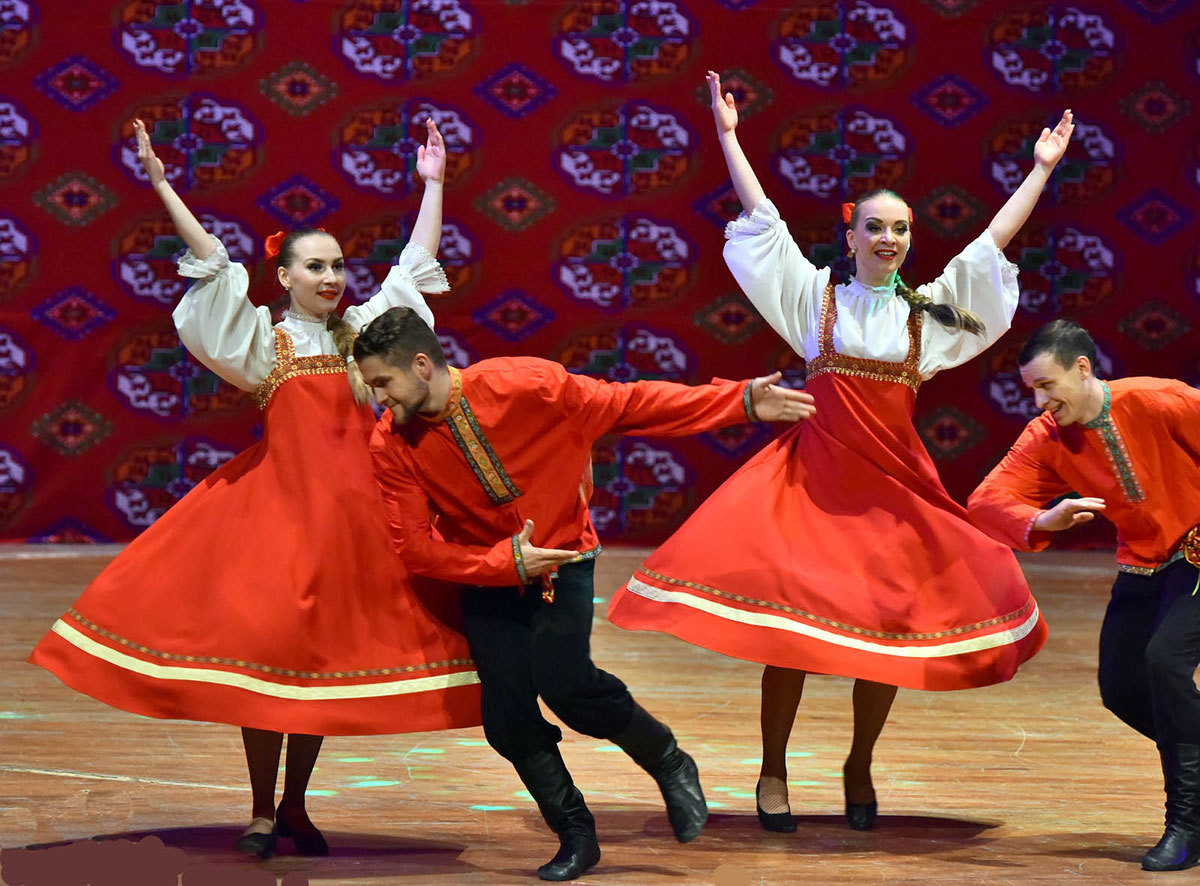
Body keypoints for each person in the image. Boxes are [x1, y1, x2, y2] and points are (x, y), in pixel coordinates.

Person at [607, 72, 1073, 833]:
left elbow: (993, 244)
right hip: (814, 486)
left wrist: (1042, 169)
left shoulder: (927, 319)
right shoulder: (814, 298)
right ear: (851, 233)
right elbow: (762, 217)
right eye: (876, 228)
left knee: (879, 638)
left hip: (891, 492)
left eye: (902, 231)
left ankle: (859, 762)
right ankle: (773, 768)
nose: (889, 239)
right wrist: (727, 134)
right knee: (791, 635)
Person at [28, 117, 481, 858]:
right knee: (271, 666)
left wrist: (434, 186)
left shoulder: (363, 335)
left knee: (319, 673)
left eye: (337, 265)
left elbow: (414, 268)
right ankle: (263, 810)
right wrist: (162, 185)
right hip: (282, 520)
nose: (332, 278)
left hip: (355, 524)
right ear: (285, 277)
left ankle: (297, 807)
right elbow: (209, 261)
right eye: (315, 268)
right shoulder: (262, 341)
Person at [355, 306, 816, 881]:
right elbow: (415, 550)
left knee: (566, 682)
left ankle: (667, 759)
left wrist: (738, 402)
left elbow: (629, 403)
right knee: (507, 717)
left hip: (566, 557)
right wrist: (504, 562)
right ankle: (576, 834)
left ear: (422, 366)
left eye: (383, 383)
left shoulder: (528, 386)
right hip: (485, 574)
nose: (379, 399)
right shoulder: (391, 443)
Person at [967, 319, 1200, 871]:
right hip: (1143, 563)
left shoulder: (1160, 400)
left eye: (1048, 386)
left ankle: (1186, 822)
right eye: (1033, 391)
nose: (1043, 402)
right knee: (1121, 686)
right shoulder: (1048, 437)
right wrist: (1044, 516)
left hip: (1198, 552)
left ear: (1083, 368)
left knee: (1165, 663)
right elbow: (987, 500)